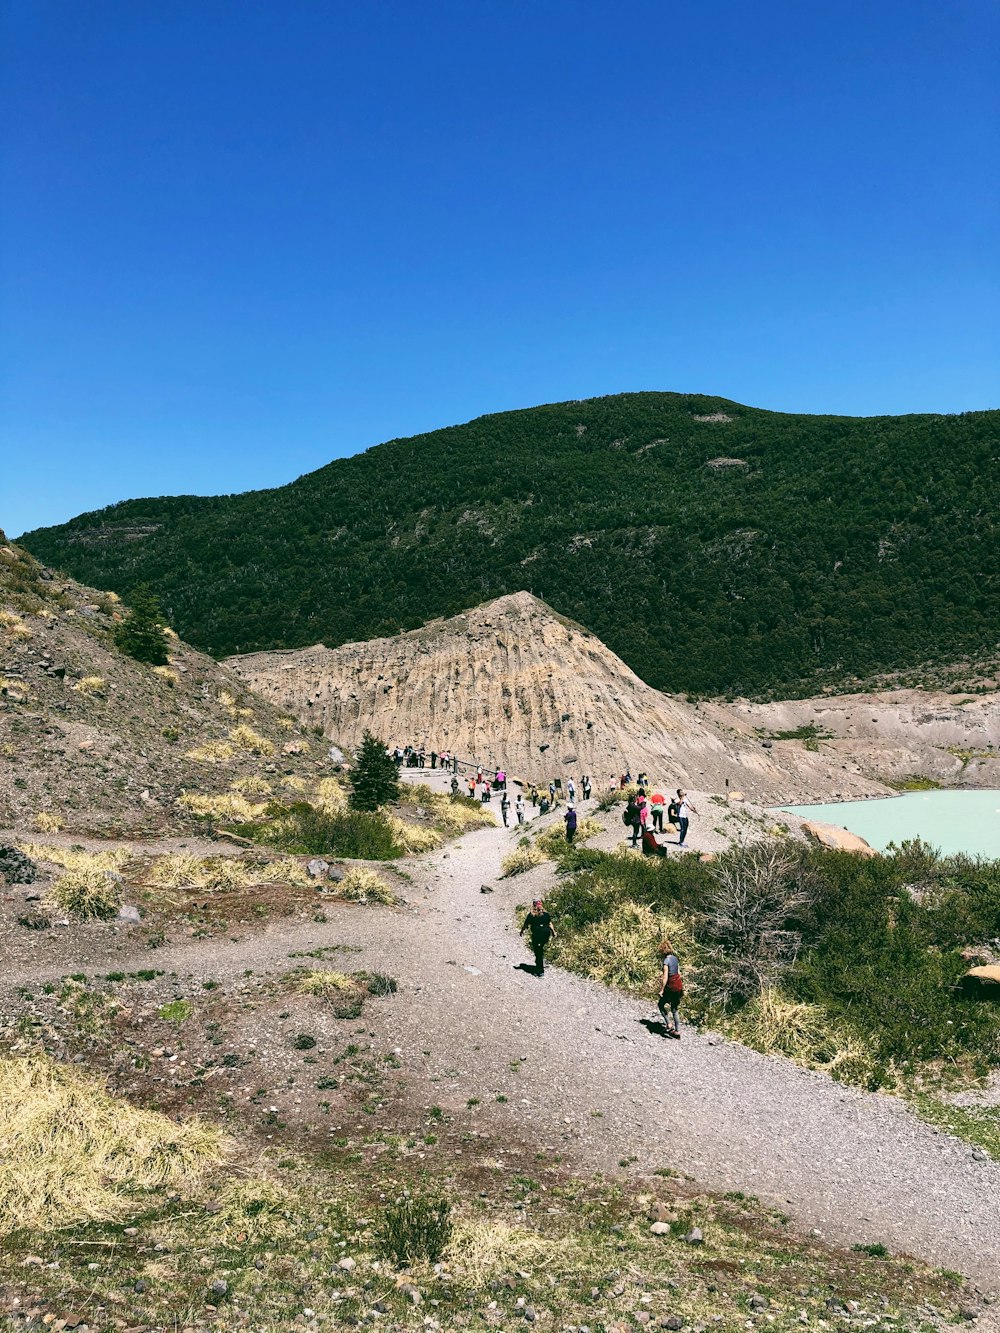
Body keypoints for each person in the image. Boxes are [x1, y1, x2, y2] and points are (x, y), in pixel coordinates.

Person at [520, 899, 556, 975]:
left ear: (533, 905)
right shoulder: (546, 914)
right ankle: (539, 964)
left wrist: (522, 931)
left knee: (538, 951)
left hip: (537, 935)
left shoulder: (531, 915)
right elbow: (550, 924)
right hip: (546, 934)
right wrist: (553, 932)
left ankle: (540, 970)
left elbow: (525, 925)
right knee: (540, 948)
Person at [657, 939, 684, 1037]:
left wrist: (662, 989)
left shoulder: (666, 961)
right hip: (678, 985)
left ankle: (668, 1023)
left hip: (671, 987)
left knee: (661, 1004)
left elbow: (665, 977)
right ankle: (677, 1031)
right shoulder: (675, 958)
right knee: (674, 1009)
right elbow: (679, 972)